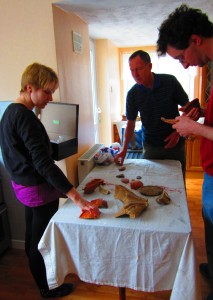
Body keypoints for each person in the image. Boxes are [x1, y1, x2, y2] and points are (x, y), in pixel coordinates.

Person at [0, 63, 99, 298]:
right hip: (36, 189)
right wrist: (75, 196)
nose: (50, 97)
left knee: (32, 238)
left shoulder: (10, 112)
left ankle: (45, 282)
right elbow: (43, 165)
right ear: (29, 87)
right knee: (41, 242)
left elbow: (22, 151)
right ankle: (47, 288)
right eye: (47, 91)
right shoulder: (25, 117)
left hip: (23, 186)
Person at [157, 4, 213, 300]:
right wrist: (203, 113)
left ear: (195, 40)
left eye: (181, 57)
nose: (183, 64)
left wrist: (194, 129)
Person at [114, 50, 189, 177]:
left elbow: (188, 109)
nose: (135, 74)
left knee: (177, 181)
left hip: (175, 145)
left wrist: (177, 133)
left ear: (150, 66)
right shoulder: (132, 94)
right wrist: (124, 149)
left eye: (138, 69)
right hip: (150, 146)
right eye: (131, 70)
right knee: (150, 180)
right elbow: (130, 124)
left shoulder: (170, 82)